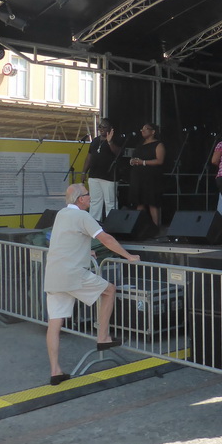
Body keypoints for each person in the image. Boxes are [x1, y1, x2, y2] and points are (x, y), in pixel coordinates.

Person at [44, 183, 140, 386]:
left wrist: (84, 251)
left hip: (53, 275)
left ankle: (55, 371)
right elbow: (105, 238)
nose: (90, 197)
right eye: (87, 194)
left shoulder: (61, 214)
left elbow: (63, 240)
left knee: (55, 322)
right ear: (80, 199)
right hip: (72, 274)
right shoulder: (83, 216)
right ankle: (103, 337)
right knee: (109, 290)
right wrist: (128, 256)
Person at [83, 119, 122, 222]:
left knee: (110, 202)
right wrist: (84, 172)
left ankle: (113, 225)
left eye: (104, 127)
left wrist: (110, 142)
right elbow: (89, 157)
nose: (101, 129)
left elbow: (118, 153)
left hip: (109, 177)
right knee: (95, 202)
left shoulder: (115, 139)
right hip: (94, 176)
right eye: (100, 127)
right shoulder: (95, 141)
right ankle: (94, 225)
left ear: (110, 128)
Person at [128, 123, 165, 229]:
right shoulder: (140, 144)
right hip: (138, 176)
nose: (142, 131)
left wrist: (143, 162)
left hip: (151, 177)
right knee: (139, 202)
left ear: (153, 132)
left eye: (145, 129)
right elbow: (135, 157)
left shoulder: (158, 144)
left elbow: (160, 160)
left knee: (152, 202)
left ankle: (155, 227)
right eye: (141, 129)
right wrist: (132, 161)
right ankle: (140, 227)